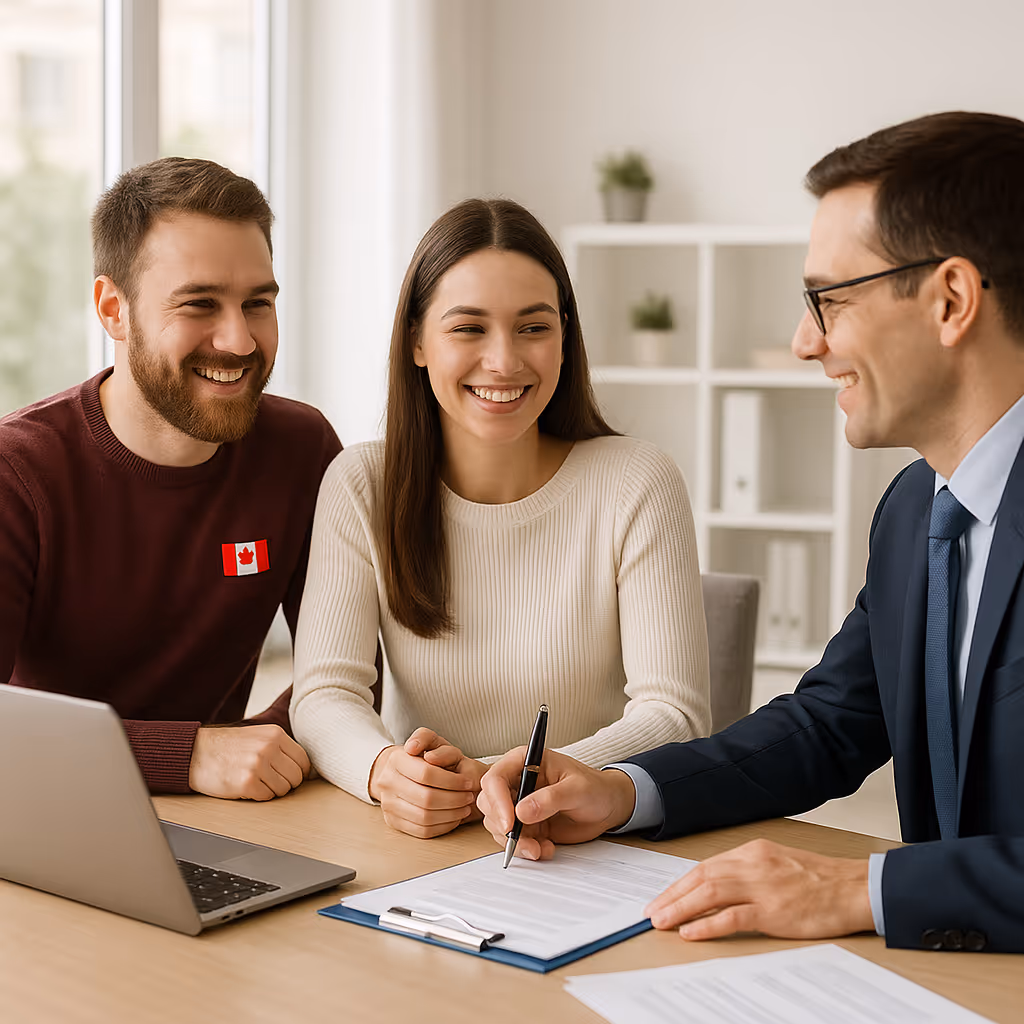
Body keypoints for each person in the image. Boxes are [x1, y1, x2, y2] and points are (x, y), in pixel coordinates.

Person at [479, 111, 1024, 954]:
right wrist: (621, 792)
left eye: (830, 300)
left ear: (951, 300)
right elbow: (829, 724)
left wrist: (863, 887)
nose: (806, 342)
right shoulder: (918, 507)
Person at [291, 198, 710, 839]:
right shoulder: (361, 483)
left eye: (533, 327)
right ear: (417, 341)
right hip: (421, 839)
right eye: (468, 328)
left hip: (582, 840)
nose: (504, 361)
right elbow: (325, 696)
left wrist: (507, 780)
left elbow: (675, 713)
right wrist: (384, 772)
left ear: (565, 339)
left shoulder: (637, 481)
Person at [0, 157, 342, 801]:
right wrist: (185, 756)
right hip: (44, 814)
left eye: (257, 303)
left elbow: (350, 668)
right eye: (200, 304)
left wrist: (267, 743)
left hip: (225, 822)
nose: (239, 340)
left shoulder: (303, 449)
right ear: (113, 309)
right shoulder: (16, 471)